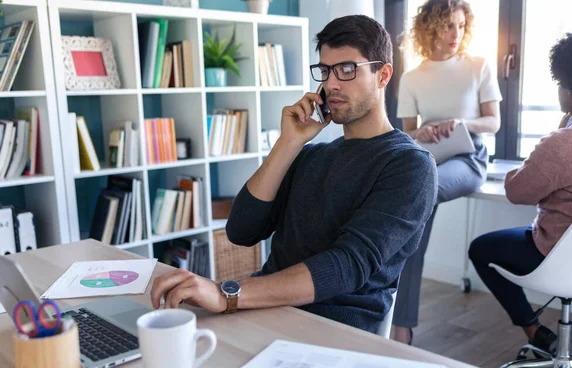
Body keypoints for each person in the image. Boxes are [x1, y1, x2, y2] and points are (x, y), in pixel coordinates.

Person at [149, 15, 438, 334]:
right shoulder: (311, 154)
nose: (331, 84)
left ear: (383, 74)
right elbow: (241, 231)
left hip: (329, 329)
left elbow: (346, 267)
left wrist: (226, 293)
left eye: (346, 69)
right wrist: (288, 142)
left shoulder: (409, 164)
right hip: (260, 311)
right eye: (325, 70)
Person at [469, 25, 572, 354]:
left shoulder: (568, 142)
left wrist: (554, 139)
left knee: (481, 249)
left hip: (555, 254)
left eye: (560, 84)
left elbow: (517, 190)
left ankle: (533, 331)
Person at [392, 0, 502, 344]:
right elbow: (406, 133)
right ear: (430, 28)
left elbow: (494, 123)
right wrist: (421, 133)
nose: (456, 33)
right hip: (428, 158)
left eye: (459, 25)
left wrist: (460, 123)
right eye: (447, 26)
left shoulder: (478, 66)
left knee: (420, 196)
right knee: (413, 228)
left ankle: (401, 326)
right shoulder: (412, 78)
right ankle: (401, 323)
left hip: (470, 158)